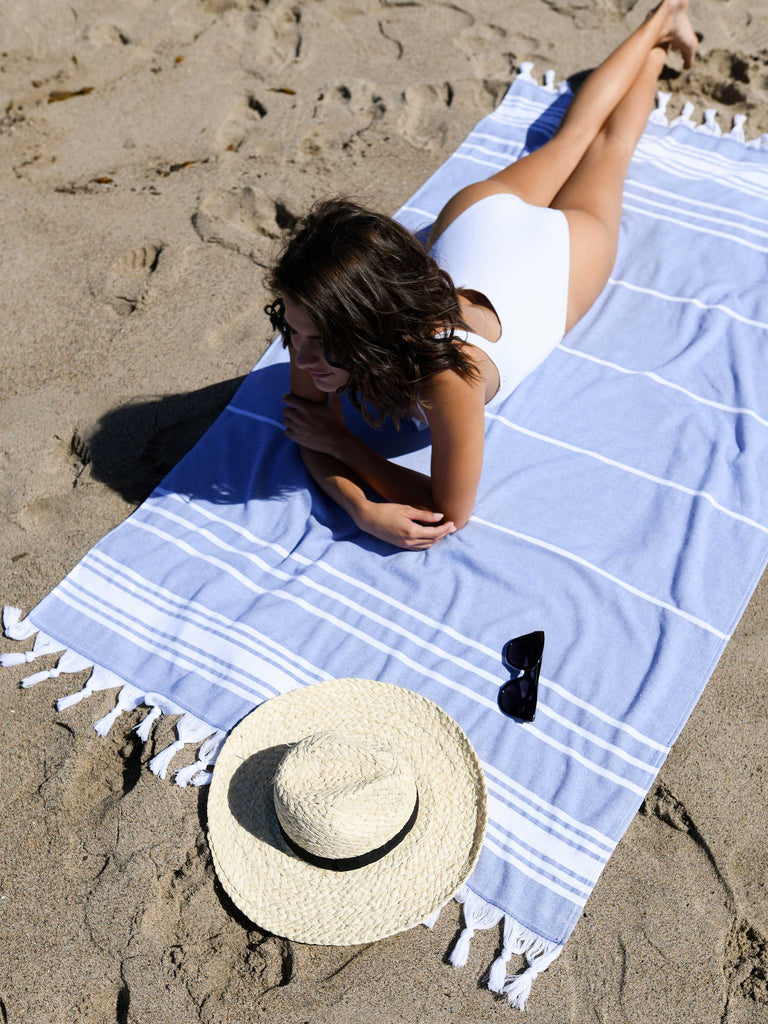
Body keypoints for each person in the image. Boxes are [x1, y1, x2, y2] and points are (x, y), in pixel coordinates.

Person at [269, 0, 697, 550]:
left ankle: (662, 23)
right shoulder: (317, 324)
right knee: (575, 138)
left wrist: (350, 452)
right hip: (476, 224)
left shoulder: (447, 376)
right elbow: (310, 432)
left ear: (367, 324)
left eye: (317, 345)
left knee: (607, 146)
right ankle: (662, 25)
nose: (300, 361)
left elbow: (450, 509)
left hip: (554, 257)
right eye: (296, 336)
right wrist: (359, 508)